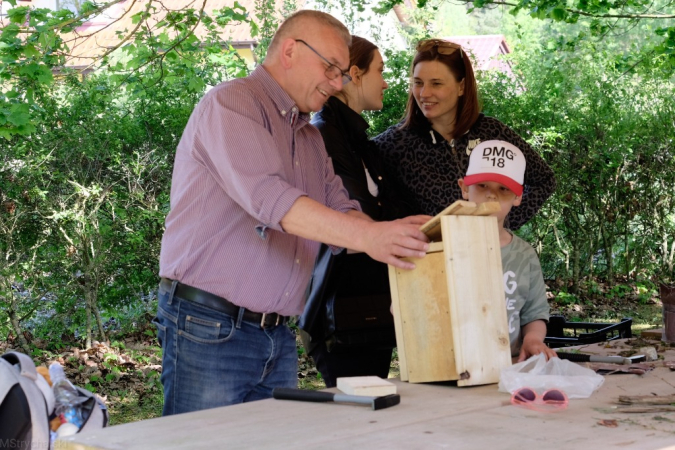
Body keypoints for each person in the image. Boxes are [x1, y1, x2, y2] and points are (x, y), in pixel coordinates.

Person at [154, 10, 430, 416]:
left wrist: (394, 238)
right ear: (290, 51)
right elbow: (273, 201)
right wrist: (372, 238)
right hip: (209, 327)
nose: (338, 83)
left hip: (276, 334)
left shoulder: (309, 138)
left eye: (341, 73)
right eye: (331, 68)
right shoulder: (232, 104)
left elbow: (342, 211)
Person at [299, 36, 422, 387]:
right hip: (341, 309)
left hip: (370, 303)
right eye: (380, 71)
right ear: (354, 73)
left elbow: (395, 211)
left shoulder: (358, 139)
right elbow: (357, 217)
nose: (386, 81)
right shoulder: (325, 135)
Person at [373, 38, 556, 229]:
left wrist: (504, 223)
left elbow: (544, 180)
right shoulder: (393, 145)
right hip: (431, 256)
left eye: (436, 84)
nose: (424, 93)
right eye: (418, 83)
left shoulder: (492, 132)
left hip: (489, 252)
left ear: (461, 86)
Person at [458, 139, 557, 361]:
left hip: (509, 366)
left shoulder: (524, 255)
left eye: (503, 189)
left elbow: (535, 313)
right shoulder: (440, 247)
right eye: (482, 185)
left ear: (518, 197)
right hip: (453, 368)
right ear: (464, 188)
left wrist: (533, 339)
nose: (491, 196)